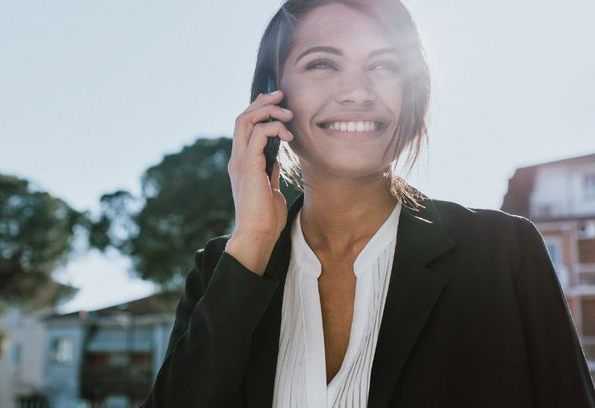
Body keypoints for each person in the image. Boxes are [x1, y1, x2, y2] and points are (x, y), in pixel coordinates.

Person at [142, 0, 595, 407]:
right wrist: (254, 241)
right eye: (322, 64)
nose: (357, 92)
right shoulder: (223, 268)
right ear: (271, 96)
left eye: (384, 66)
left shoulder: (504, 253)